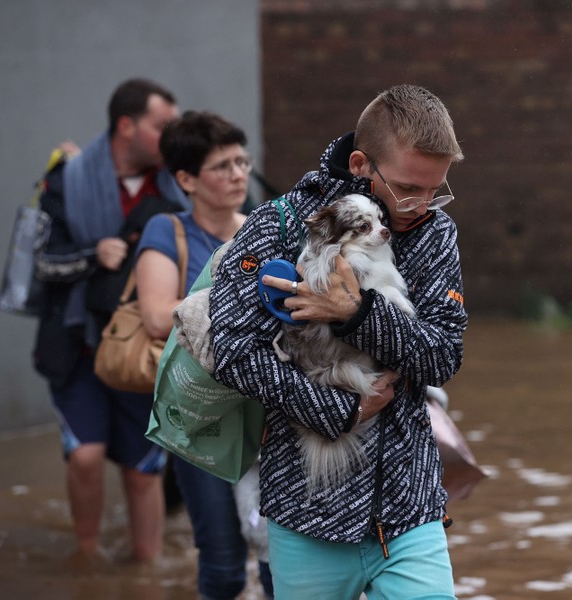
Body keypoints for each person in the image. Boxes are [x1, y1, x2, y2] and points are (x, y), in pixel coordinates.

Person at [207, 84, 467, 599]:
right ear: (360, 164)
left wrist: (357, 314)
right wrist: (334, 410)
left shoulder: (436, 233)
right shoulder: (278, 224)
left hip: (409, 506)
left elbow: (443, 356)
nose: (421, 205)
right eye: (406, 189)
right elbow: (231, 349)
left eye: (435, 190)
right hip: (307, 508)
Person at [32, 78, 188, 561]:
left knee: (143, 472)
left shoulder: (182, 183)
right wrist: (91, 255)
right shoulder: (66, 180)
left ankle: (146, 572)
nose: (172, 136)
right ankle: (86, 561)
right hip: (80, 344)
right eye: (163, 126)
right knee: (85, 456)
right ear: (127, 126)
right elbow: (41, 262)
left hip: (145, 352)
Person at [135, 111, 273, 598]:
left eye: (242, 161)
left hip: (269, 411)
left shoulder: (266, 226)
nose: (238, 175)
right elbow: (157, 316)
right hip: (203, 416)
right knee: (222, 562)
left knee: (281, 556)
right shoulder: (166, 231)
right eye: (222, 166)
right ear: (186, 179)